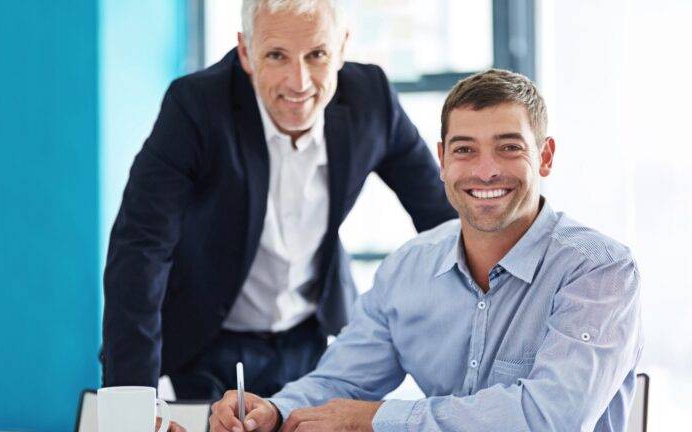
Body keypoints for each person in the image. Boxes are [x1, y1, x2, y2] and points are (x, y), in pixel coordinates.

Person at [208, 69, 643, 432]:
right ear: (442, 160)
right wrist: (275, 409)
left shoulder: (599, 270)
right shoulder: (407, 269)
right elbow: (343, 381)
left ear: (545, 156)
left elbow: (552, 417)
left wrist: (379, 419)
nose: (485, 170)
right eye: (464, 150)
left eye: (509, 148)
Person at [101, 0, 456, 399]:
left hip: (310, 342)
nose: (299, 81)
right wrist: (129, 400)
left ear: (342, 46)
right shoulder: (196, 106)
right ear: (246, 53)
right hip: (203, 342)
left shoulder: (371, 100)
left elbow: (445, 222)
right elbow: (141, 248)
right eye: (276, 55)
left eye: (317, 54)